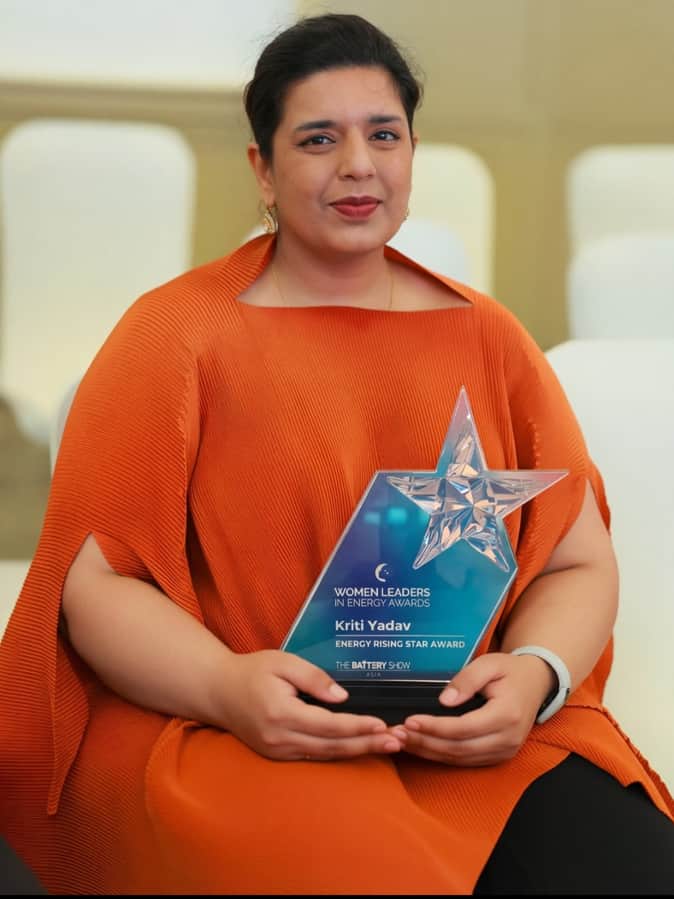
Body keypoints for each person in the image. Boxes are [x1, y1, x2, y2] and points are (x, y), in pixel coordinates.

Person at [1, 12, 673, 895]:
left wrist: (533, 675)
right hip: (233, 728)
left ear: (411, 154)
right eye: (319, 139)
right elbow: (96, 585)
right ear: (263, 169)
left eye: (383, 135)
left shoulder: (490, 338)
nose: (358, 164)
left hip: (470, 736)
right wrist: (228, 687)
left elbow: (576, 560)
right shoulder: (174, 336)